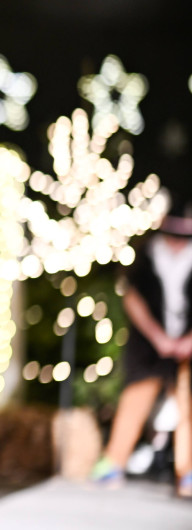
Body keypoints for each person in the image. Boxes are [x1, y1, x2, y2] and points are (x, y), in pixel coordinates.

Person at [91, 209, 192, 495]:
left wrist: (187, 341)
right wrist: (158, 337)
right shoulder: (146, 255)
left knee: (189, 405)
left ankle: (188, 473)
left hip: (187, 343)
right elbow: (132, 298)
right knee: (135, 398)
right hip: (149, 344)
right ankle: (113, 464)